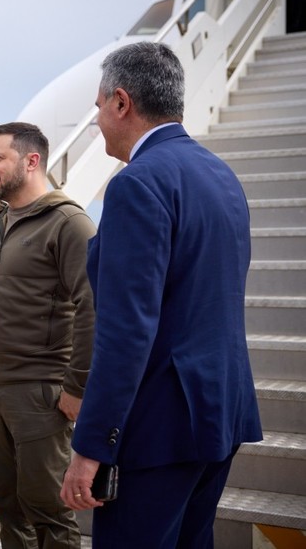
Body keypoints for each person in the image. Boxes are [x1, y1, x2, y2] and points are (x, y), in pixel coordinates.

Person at [60, 42, 263, 547]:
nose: (97, 121)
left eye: (100, 107)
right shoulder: (221, 176)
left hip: (159, 429)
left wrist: (92, 446)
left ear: (122, 103)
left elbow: (127, 332)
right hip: (219, 413)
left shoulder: (138, 184)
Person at [0, 122, 96, 548]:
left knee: (48, 509)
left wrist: (77, 387)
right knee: (6, 502)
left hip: (42, 392)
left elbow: (93, 308)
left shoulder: (70, 224)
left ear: (31, 162)